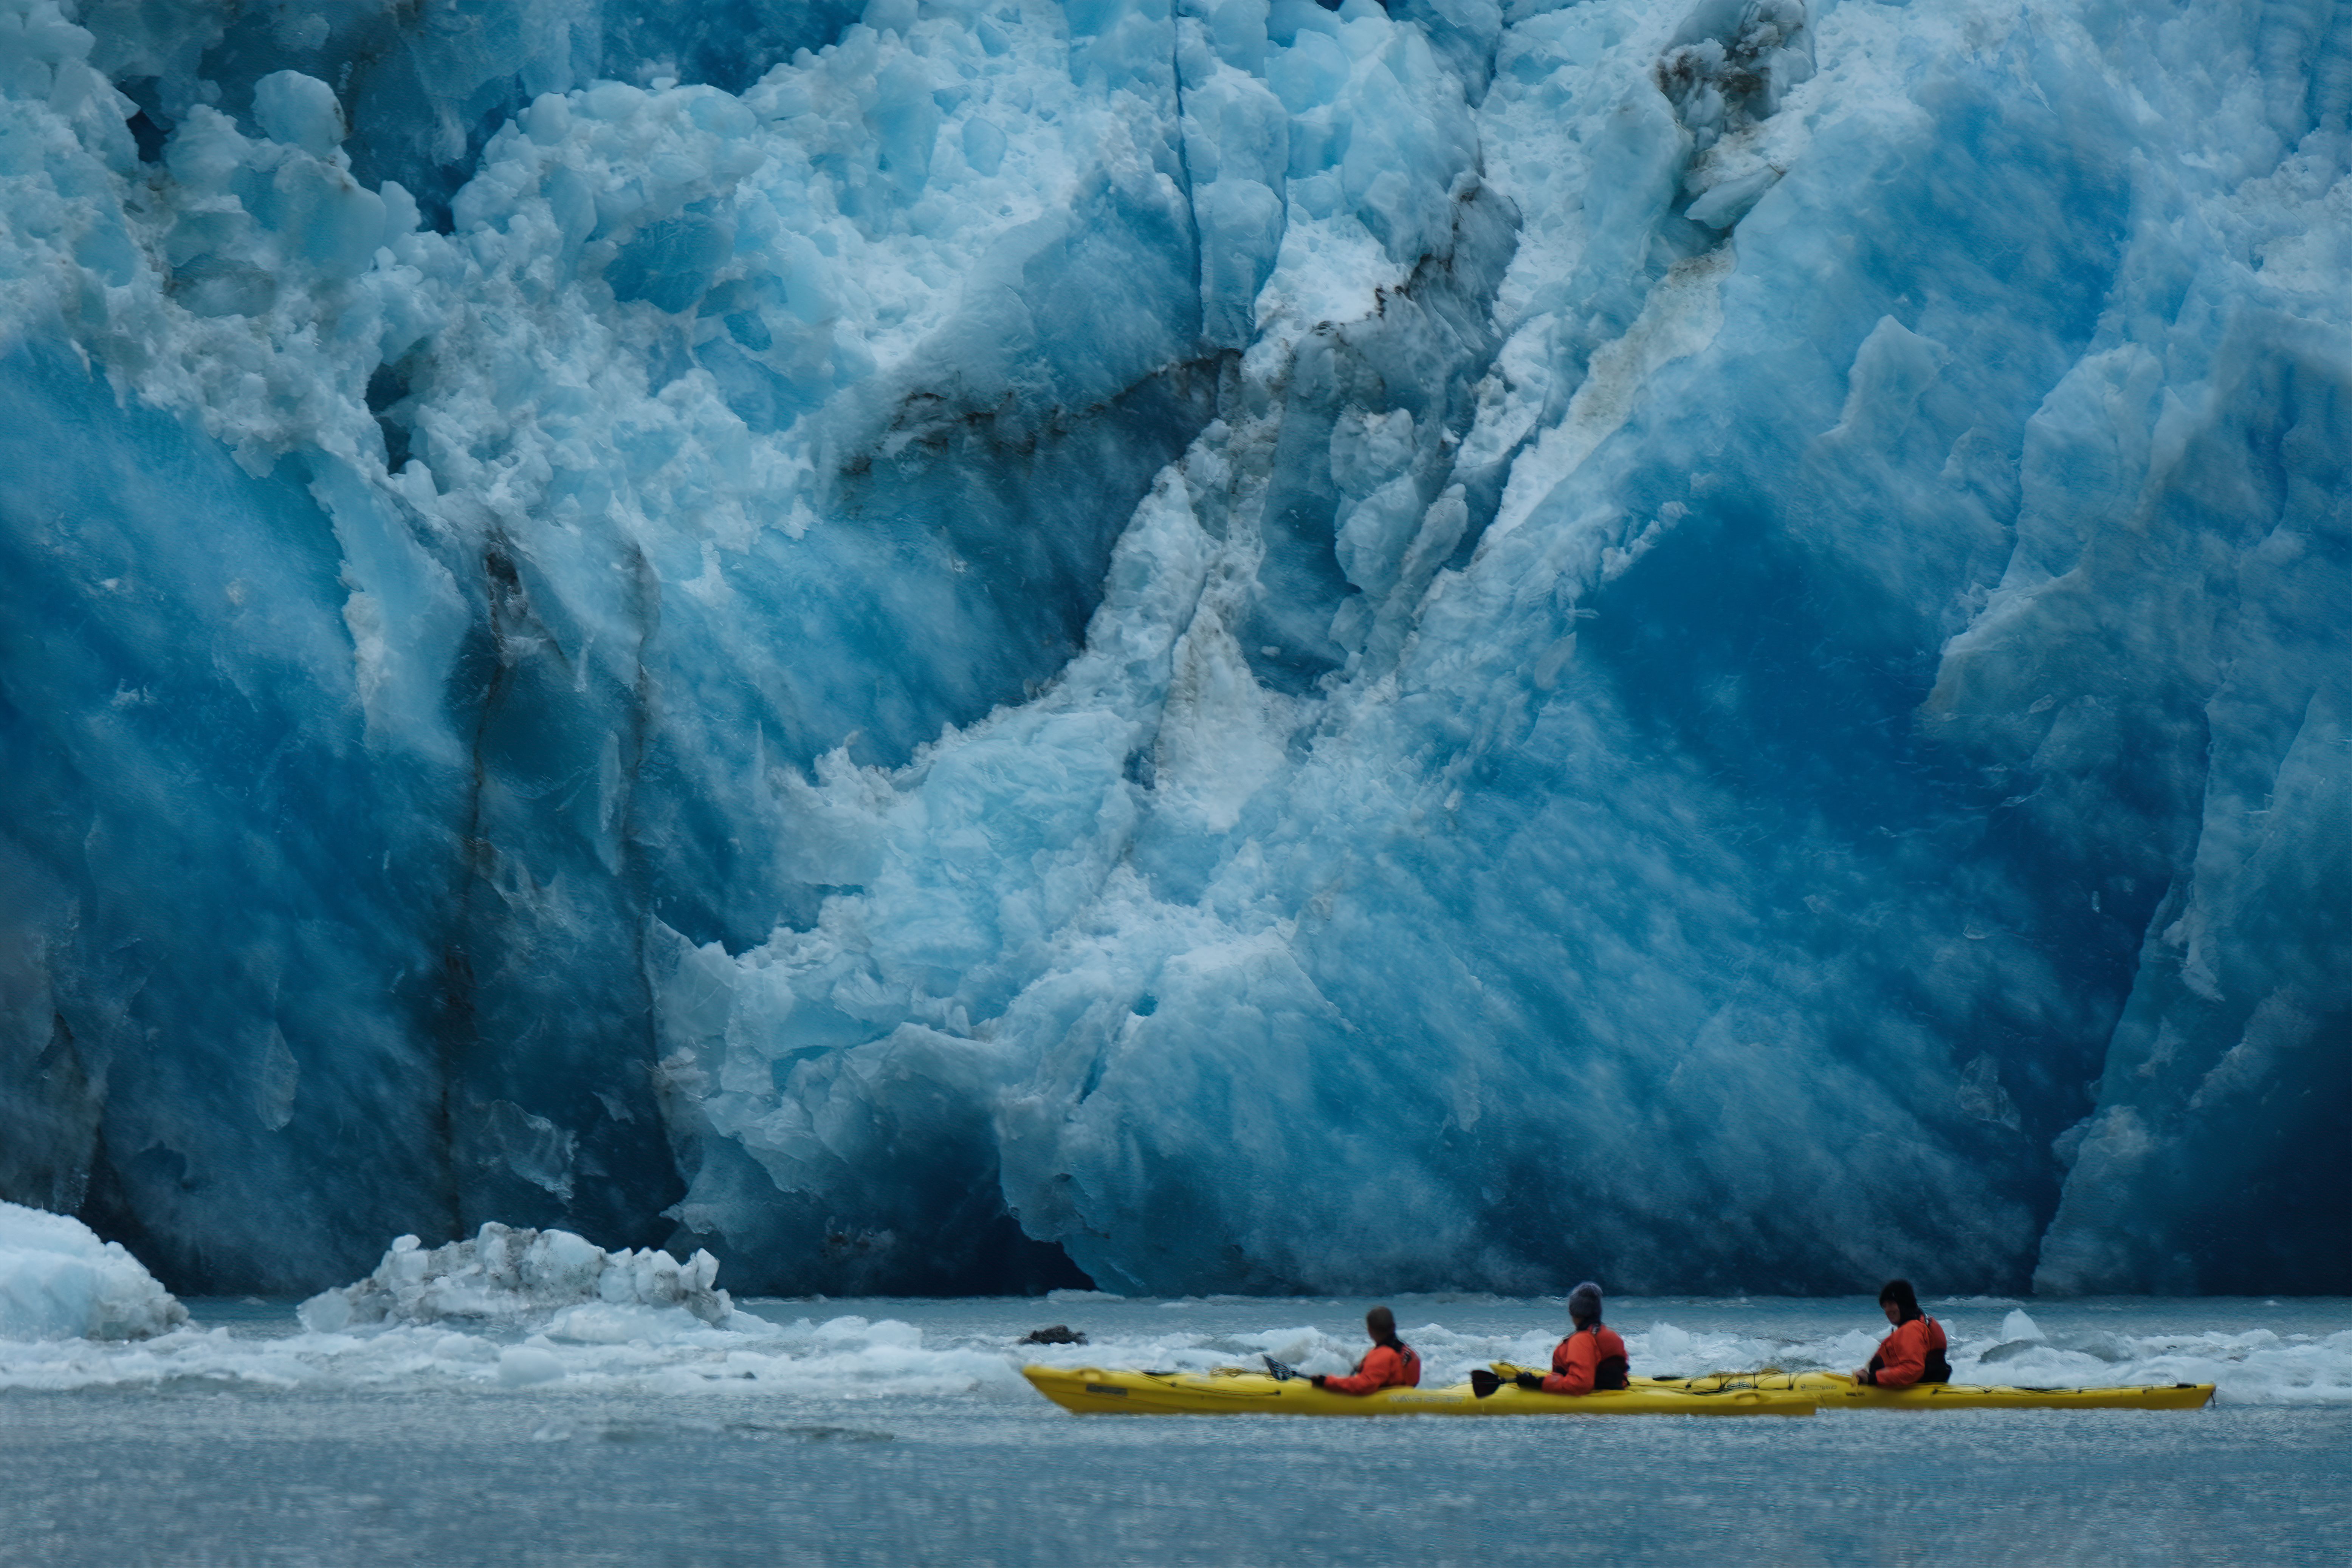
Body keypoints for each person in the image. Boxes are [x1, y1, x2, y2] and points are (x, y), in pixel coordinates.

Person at [1515, 1281, 1629, 1394]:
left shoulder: (1581, 1339)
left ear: (1573, 1311)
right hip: (1613, 1387)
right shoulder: (1609, 1334)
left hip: (1588, 1393)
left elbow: (1580, 1384)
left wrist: (1539, 1384)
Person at [1853, 1278, 1952, 1387]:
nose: (1887, 1310)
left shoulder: (1912, 1329)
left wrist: (1871, 1378)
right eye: (1884, 1306)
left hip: (1914, 1390)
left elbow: (1912, 1370)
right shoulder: (1919, 1324)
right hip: (1926, 1386)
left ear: (1904, 1303)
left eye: (1891, 1303)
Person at [1312, 1306, 1422, 1394]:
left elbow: (1364, 1386)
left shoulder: (1382, 1354)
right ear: (1394, 1327)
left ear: (1370, 1330)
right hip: (1405, 1397)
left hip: (1384, 1403)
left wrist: (1326, 1381)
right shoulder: (1409, 1352)